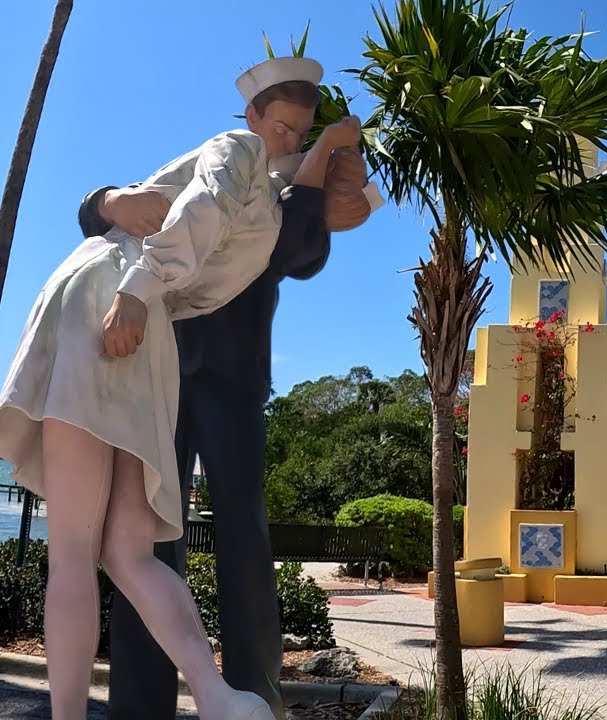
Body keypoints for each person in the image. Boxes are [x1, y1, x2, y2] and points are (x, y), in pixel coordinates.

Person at [0, 53, 362, 720]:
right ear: (254, 116)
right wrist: (115, 230)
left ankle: (226, 694)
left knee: (116, 551)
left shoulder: (277, 215)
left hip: (158, 346)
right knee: (107, 551)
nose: (284, 142)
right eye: (279, 127)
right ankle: (150, 706)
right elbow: (180, 208)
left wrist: (333, 153)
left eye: (298, 134)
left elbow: (293, 233)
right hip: (129, 322)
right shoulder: (239, 153)